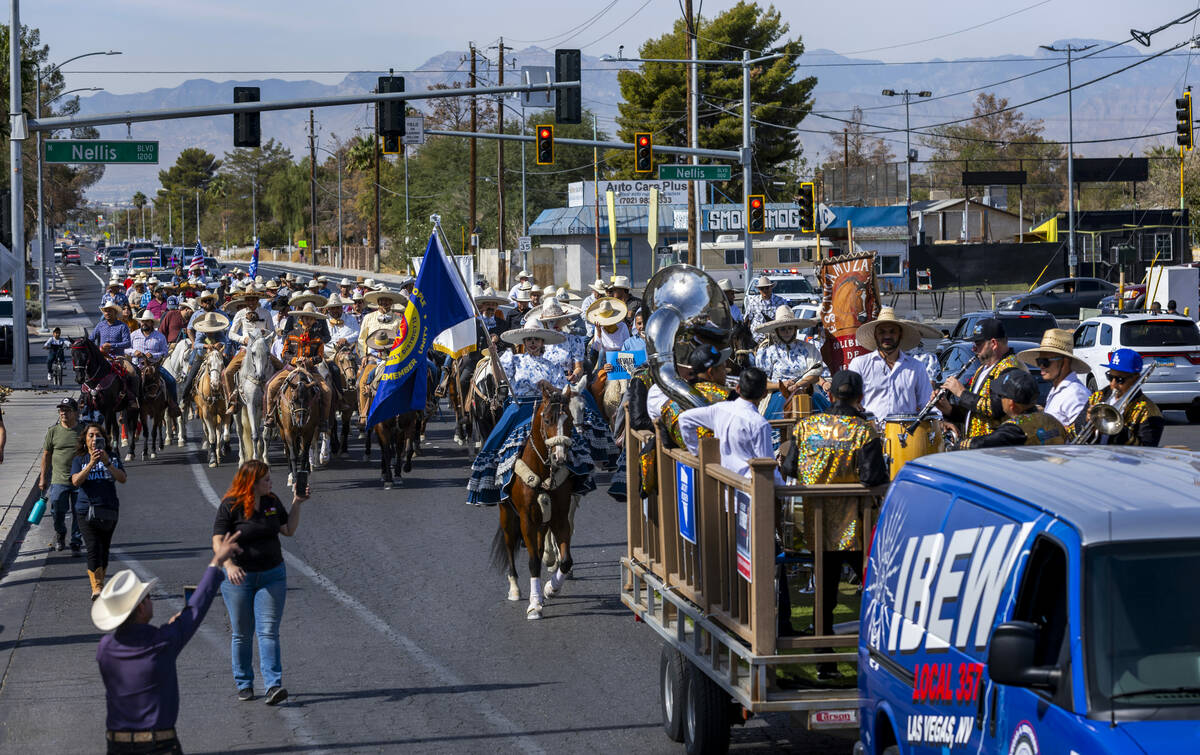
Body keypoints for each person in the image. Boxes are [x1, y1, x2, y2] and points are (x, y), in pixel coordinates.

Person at [94, 532, 243, 755]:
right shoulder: (162, 641)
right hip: (159, 744)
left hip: (117, 744)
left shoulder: (105, 648)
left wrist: (169, 629)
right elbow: (196, 609)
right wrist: (217, 561)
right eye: (148, 597)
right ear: (142, 608)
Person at [781, 370, 888, 662]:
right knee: (872, 587)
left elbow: (790, 469)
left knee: (824, 591)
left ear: (829, 396)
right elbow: (873, 476)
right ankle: (876, 653)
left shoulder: (805, 426)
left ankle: (822, 656)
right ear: (860, 398)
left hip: (814, 522)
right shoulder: (863, 431)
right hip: (855, 525)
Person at [466, 326, 600, 506]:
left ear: (542, 342)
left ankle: (577, 478)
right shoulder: (514, 360)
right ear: (524, 343)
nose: (532, 343)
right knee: (497, 443)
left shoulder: (552, 366)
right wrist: (494, 359)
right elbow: (500, 380)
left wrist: (548, 387)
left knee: (572, 440)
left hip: (547, 408)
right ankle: (494, 484)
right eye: (529, 340)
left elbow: (563, 390)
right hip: (520, 408)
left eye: (536, 339)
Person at [213, 461, 308, 704]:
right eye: (266, 479)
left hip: (272, 575)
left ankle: (273, 685)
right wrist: (229, 565)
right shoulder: (230, 505)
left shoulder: (272, 501)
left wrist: (297, 502)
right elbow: (218, 541)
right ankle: (244, 683)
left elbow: (288, 530)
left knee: (268, 631)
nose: (271, 483)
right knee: (242, 633)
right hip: (239, 578)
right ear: (251, 483)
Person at [939, 318, 1025, 441]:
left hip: (996, 447)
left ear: (994, 344)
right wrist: (948, 409)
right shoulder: (982, 369)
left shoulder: (1010, 368)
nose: (973, 349)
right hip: (977, 447)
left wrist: (961, 393)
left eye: (978, 344)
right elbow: (973, 413)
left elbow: (996, 408)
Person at [71, 423, 127, 599]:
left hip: (108, 509)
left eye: (98, 435)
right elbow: (75, 481)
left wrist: (107, 463)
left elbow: (122, 478)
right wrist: (91, 464)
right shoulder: (79, 459)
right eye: (91, 436)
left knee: (104, 548)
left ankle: (100, 582)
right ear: (85, 440)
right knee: (93, 546)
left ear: (104, 438)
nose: (94, 439)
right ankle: (97, 587)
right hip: (85, 509)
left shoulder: (112, 456)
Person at [849, 307, 937, 419]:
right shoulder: (859, 364)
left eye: (892, 331)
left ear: (900, 335)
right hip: (869, 432)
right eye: (882, 332)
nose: (887, 336)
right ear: (875, 335)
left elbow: (927, 403)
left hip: (906, 434)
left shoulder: (916, 367)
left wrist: (939, 421)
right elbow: (847, 398)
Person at [1072, 348, 1164, 446]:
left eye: (1120, 380)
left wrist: (1116, 428)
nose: (1113, 384)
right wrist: (1086, 421)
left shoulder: (1150, 412)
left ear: (1136, 379)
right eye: (1110, 377)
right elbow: (1074, 433)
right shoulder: (1097, 398)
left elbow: (1147, 451)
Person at [264, 304, 332, 431]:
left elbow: (320, 356)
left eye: (311, 318)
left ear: (314, 320)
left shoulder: (318, 338)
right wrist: (295, 360)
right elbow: (284, 353)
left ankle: (324, 420)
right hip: (291, 369)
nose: (308, 320)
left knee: (327, 391)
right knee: (271, 385)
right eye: (305, 318)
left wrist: (309, 360)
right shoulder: (291, 334)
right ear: (301, 318)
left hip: (311, 370)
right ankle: (270, 415)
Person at [752, 304, 822, 420]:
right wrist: (781, 386)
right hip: (777, 394)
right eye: (783, 329)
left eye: (790, 328)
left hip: (806, 390)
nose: (787, 332)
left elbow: (815, 373)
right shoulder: (767, 352)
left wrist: (798, 385)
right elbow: (762, 382)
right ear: (777, 331)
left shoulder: (808, 348)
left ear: (795, 329)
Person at [965, 370, 1065, 448]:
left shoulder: (1015, 429)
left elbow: (982, 443)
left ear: (1011, 404)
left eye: (1001, 396)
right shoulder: (1050, 418)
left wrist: (958, 446)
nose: (1000, 399)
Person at [659, 345, 733, 448]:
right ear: (711, 372)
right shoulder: (729, 397)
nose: (725, 372)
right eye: (723, 368)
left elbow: (667, 441)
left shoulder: (671, 402)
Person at [1016, 328, 1091, 430]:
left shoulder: (1076, 394)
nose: (1041, 366)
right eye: (1039, 361)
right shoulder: (1057, 389)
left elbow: (1082, 436)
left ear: (1065, 362)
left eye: (1046, 361)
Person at [40, 397, 87, 553]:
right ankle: (60, 534)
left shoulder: (83, 431)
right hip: (58, 479)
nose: (63, 413)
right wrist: (42, 478)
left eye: (67, 410)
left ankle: (76, 541)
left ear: (75, 413)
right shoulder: (53, 431)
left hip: (79, 479)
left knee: (78, 512)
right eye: (61, 410)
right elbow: (46, 455)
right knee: (56, 510)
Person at [128, 310, 181, 418]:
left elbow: (165, 352)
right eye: (143, 321)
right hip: (137, 366)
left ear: (152, 323)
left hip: (154, 366)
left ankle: (173, 405)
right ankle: (128, 404)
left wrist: (153, 355)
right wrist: (134, 352)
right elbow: (125, 349)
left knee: (171, 380)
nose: (144, 324)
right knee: (126, 381)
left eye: (147, 321)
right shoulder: (134, 335)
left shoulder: (159, 336)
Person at [586, 297, 630, 365]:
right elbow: (597, 348)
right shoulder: (598, 327)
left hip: (622, 355)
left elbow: (628, 344)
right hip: (606, 357)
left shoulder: (622, 326)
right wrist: (599, 333)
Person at [356, 288, 399, 357]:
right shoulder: (368, 317)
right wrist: (363, 356)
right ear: (378, 302)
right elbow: (362, 339)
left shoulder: (398, 320)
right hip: (372, 356)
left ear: (391, 302)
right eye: (382, 300)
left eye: (387, 300)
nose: (384, 302)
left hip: (392, 356)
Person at [744, 276, 788, 340]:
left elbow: (785, 321)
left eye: (767, 288)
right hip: (756, 338)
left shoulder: (781, 302)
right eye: (762, 288)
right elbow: (747, 319)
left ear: (771, 288)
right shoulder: (753, 302)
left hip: (776, 337)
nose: (765, 290)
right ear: (759, 290)